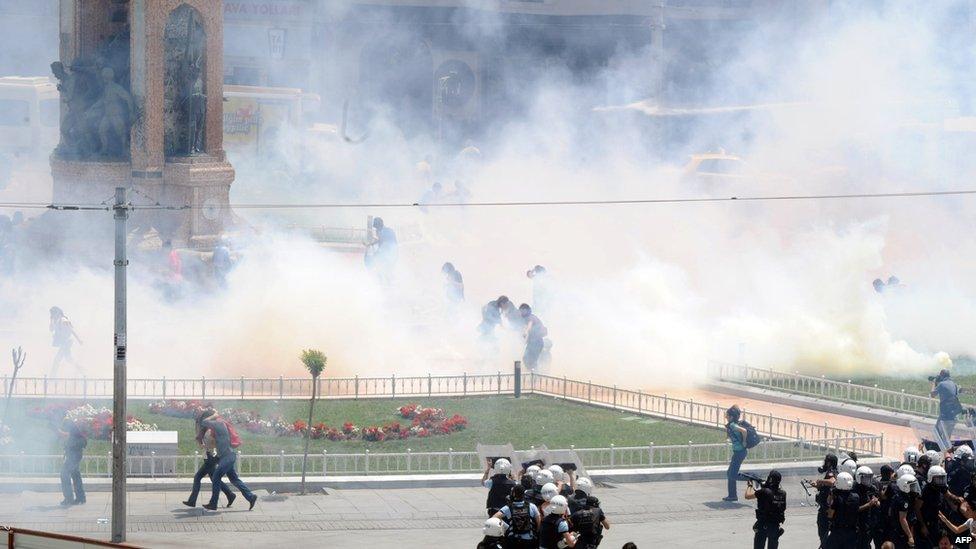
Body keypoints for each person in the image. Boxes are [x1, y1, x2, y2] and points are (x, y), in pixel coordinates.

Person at [200, 410, 257, 511]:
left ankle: (213, 504)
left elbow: (204, 422)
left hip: (227, 457)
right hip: (228, 456)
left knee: (216, 477)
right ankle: (250, 497)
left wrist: (213, 415)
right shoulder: (221, 424)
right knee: (234, 479)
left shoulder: (219, 423)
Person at [183, 409, 235, 508]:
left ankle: (192, 501)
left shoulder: (212, 430)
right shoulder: (209, 429)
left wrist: (205, 444)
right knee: (213, 478)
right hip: (210, 456)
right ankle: (230, 494)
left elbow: (214, 443)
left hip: (211, 457)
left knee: (198, 477)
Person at [745, 470, 785, 549]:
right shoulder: (783, 493)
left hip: (763, 525)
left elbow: (747, 496)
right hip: (775, 526)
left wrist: (750, 485)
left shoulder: (764, 492)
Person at [492, 484, 541, 548]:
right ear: (524, 494)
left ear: (514, 493)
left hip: (513, 540)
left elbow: (494, 518)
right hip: (529, 540)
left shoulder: (508, 508)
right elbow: (539, 521)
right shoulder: (531, 506)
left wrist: (505, 526)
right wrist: (536, 532)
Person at [807, 453, 838, 547]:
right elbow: (827, 485)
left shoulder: (831, 471)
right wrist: (816, 485)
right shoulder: (832, 471)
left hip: (826, 509)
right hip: (826, 507)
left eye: (826, 461)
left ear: (829, 462)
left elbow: (832, 481)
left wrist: (820, 481)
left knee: (823, 530)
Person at [569, 481, 609, 549]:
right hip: (592, 543)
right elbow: (607, 526)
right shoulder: (597, 511)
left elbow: (568, 523)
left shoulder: (571, 500)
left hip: (577, 540)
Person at [931, 369, 964, 449]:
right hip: (954, 416)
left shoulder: (941, 384)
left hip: (944, 416)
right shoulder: (954, 384)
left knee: (936, 434)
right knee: (947, 439)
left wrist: (933, 383)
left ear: (942, 376)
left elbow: (932, 394)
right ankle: (947, 456)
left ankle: (937, 453)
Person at [826, 471, 860, 549]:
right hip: (852, 532)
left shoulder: (837, 498)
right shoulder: (856, 497)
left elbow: (830, 515)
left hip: (838, 532)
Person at [888, 473, 921, 549]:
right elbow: (902, 519)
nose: (914, 489)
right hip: (901, 534)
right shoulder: (903, 500)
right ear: (905, 487)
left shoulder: (902, 496)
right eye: (912, 486)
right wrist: (910, 536)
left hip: (900, 531)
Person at [919, 465, 948, 548]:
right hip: (928, 525)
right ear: (931, 478)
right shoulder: (925, 491)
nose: (941, 481)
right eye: (938, 479)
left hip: (938, 524)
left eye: (942, 478)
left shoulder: (941, 489)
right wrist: (923, 526)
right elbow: (917, 509)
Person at [59, 419, 86, 506]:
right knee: (76, 476)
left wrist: (71, 446)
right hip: (73, 457)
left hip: (74, 458)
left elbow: (83, 442)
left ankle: (69, 498)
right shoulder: (73, 432)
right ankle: (80, 498)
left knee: (64, 474)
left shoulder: (75, 434)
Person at [853, 465, 881, 549]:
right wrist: (868, 505)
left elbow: (878, 500)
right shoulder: (854, 491)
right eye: (865, 478)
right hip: (859, 525)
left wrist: (877, 502)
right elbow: (854, 509)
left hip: (870, 523)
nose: (868, 480)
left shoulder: (872, 488)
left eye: (869, 477)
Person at [725, 405, 748, 502]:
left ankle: (750, 478)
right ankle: (732, 495)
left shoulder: (732, 425)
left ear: (731, 417)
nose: (726, 417)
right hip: (739, 452)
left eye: (727, 415)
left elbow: (744, 431)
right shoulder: (733, 424)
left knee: (732, 474)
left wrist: (744, 442)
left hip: (739, 452)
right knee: (730, 473)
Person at [50, 306, 82, 374]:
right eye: (51, 314)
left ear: (58, 313)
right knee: (69, 359)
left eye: (53, 313)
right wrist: (51, 320)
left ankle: (52, 377)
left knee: (57, 360)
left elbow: (71, 330)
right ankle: (81, 370)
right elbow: (51, 329)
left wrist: (79, 340)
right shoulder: (56, 321)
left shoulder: (63, 320)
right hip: (63, 343)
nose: (52, 315)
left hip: (66, 343)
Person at [365, 217, 398, 284]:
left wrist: (378, 252)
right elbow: (380, 240)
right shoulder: (382, 231)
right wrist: (371, 244)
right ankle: (385, 283)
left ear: (379, 225)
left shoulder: (386, 232)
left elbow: (387, 244)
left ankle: (389, 284)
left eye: (376, 227)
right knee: (381, 269)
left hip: (390, 254)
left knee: (384, 269)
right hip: (388, 253)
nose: (376, 229)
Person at [519, 304, 548, 372]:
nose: (521, 312)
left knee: (532, 360)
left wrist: (526, 331)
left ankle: (535, 375)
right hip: (532, 342)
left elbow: (530, 325)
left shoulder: (531, 317)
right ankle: (533, 374)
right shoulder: (526, 319)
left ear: (526, 310)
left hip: (537, 342)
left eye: (522, 310)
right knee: (526, 359)